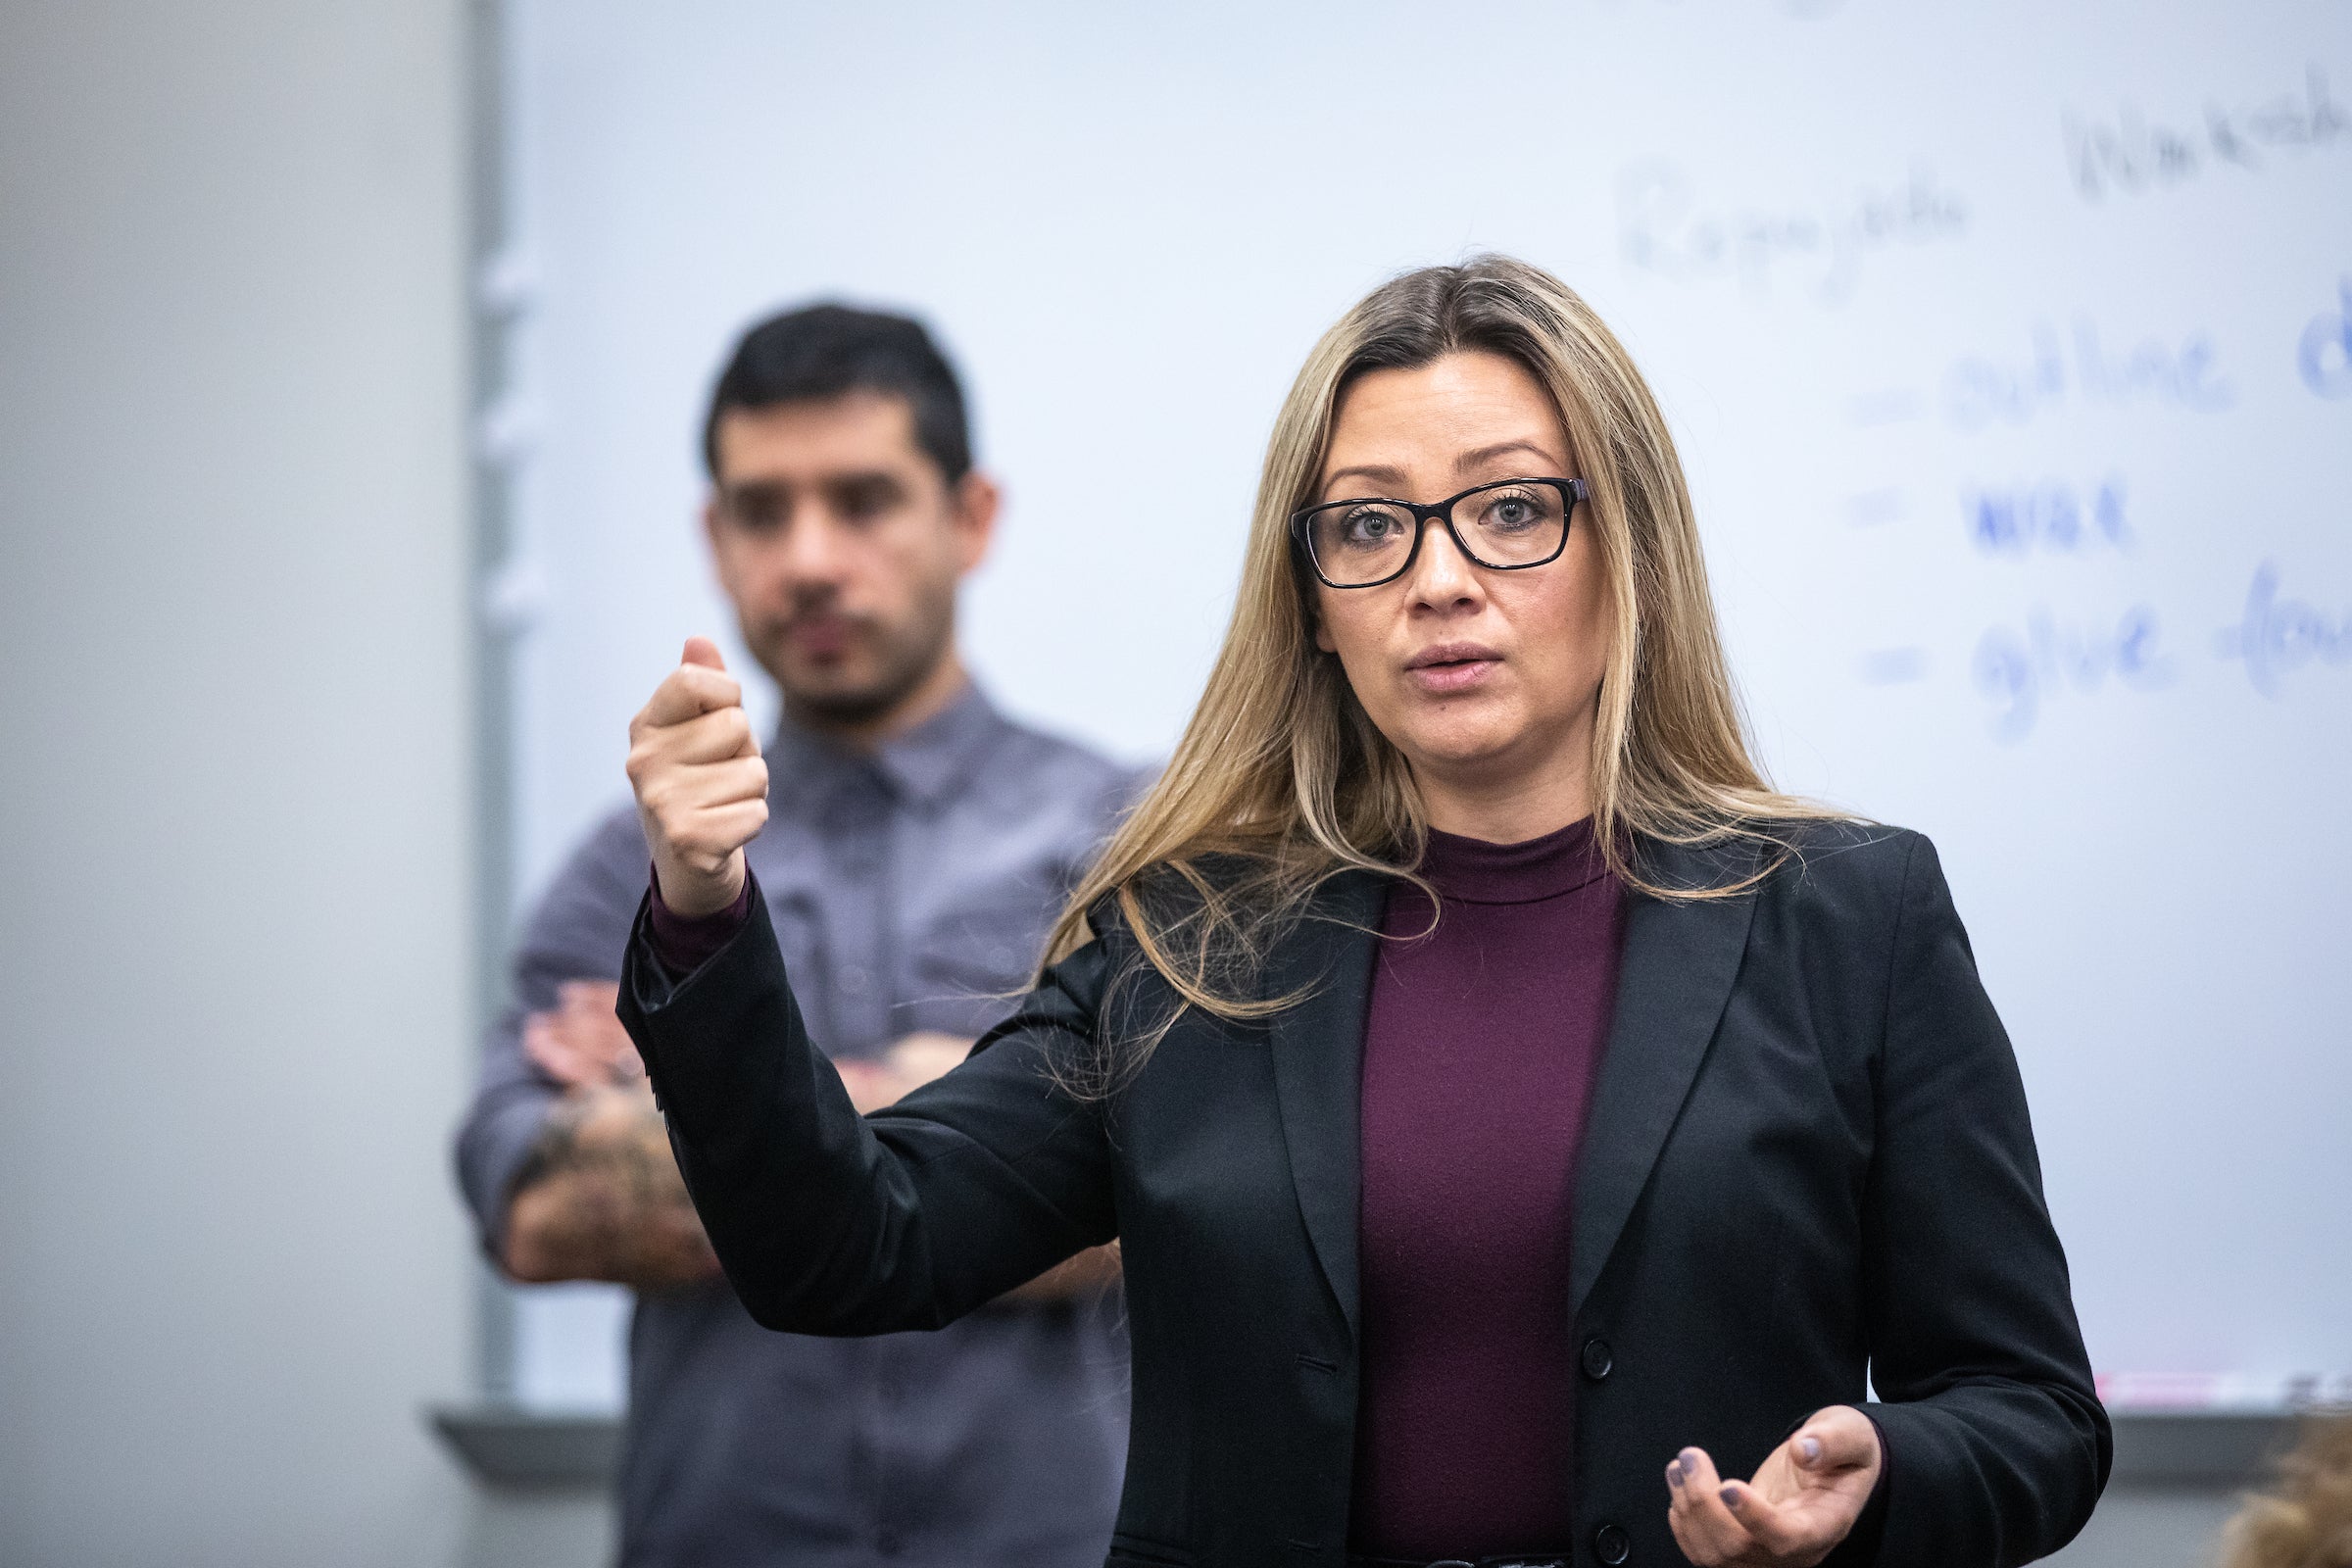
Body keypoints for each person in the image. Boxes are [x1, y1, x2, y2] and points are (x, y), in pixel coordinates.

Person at [612, 258, 2112, 1568]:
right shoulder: (1191, 944)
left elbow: (2031, 1415)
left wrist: (1883, 1479)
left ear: (1626, 546)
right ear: (1313, 595)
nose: (1439, 580)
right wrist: (701, 907)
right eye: (1369, 528)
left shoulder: (1849, 917)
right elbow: (848, 1249)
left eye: (1512, 512)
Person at [454, 304, 1135, 1568]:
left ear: (970, 517)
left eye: (865, 498)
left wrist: (696, 1091)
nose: (811, 558)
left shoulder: (1129, 841)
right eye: (763, 511)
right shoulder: (635, 868)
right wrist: (1004, 1110)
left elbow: (1192, 1189)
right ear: (715, 539)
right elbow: (534, 1205)